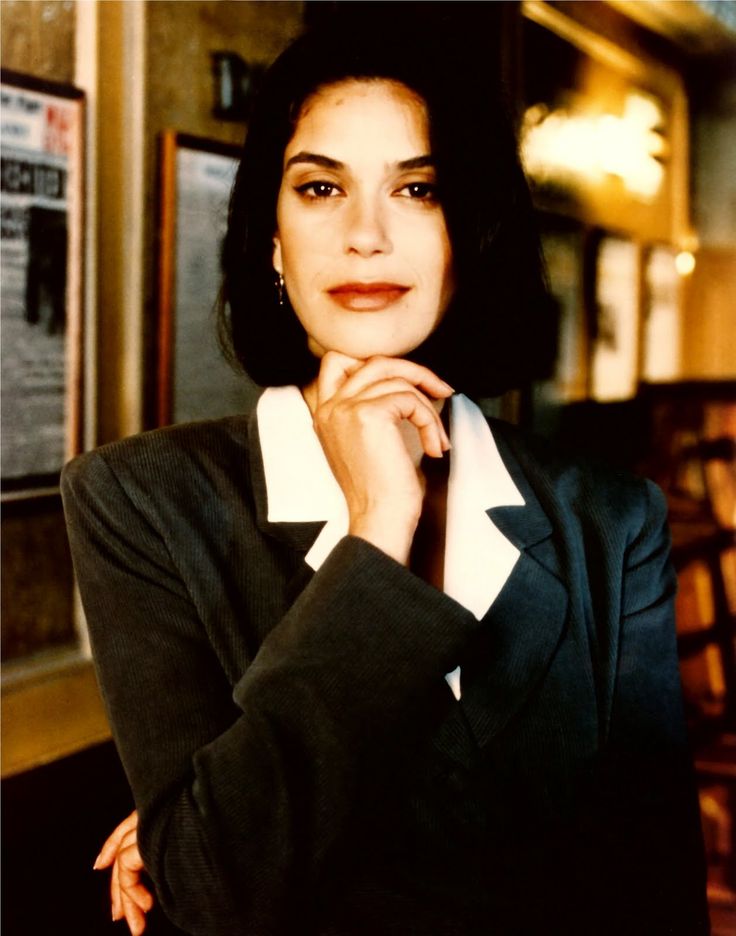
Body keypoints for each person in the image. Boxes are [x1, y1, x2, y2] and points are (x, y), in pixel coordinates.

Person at [62, 17, 708, 936]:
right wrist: (375, 530)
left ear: (469, 232)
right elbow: (218, 893)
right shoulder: (142, 498)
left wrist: (208, 815)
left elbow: (653, 884)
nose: (365, 235)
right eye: (320, 187)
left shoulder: (610, 518)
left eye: (419, 189)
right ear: (273, 240)